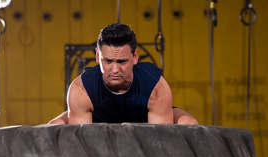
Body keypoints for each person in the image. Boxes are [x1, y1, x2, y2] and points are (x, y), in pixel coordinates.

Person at [48, 23, 198, 125]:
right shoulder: (81, 89)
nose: (114, 70)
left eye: (122, 61)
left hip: (144, 123)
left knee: (188, 124)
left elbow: (159, 144)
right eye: (107, 61)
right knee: (54, 127)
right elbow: (83, 146)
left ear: (135, 57)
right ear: (97, 56)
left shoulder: (155, 87)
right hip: (97, 123)